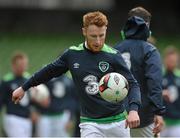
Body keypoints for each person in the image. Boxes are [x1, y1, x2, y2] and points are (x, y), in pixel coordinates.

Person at [12, 11, 141, 137]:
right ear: (84, 31)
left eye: (101, 35)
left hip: (118, 122)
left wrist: (134, 110)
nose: (98, 41)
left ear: (106, 30)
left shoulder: (114, 56)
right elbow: (49, 71)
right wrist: (24, 87)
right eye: (93, 36)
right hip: (90, 123)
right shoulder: (73, 55)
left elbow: (133, 84)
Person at [115, 7, 166, 137]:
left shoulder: (114, 49)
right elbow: (154, 83)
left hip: (116, 116)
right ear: (146, 27)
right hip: (143, 117)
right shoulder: (149, 50)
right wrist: (158, 112)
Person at [0, 52, 32, 137]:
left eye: (24, 64)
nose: (23, 67)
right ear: (13, 65)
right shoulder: (7, 81)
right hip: (13, 118)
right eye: (20, 65)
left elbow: (31, 99)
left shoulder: (28, 79)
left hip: (27, 119)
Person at [161, 46, 180, 137]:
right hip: (161, 122)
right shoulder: (159, 75)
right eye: (170, 60)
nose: (172, 63)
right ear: (165, 60)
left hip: (177, 123)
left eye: (174, 61)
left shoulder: (179, 76)